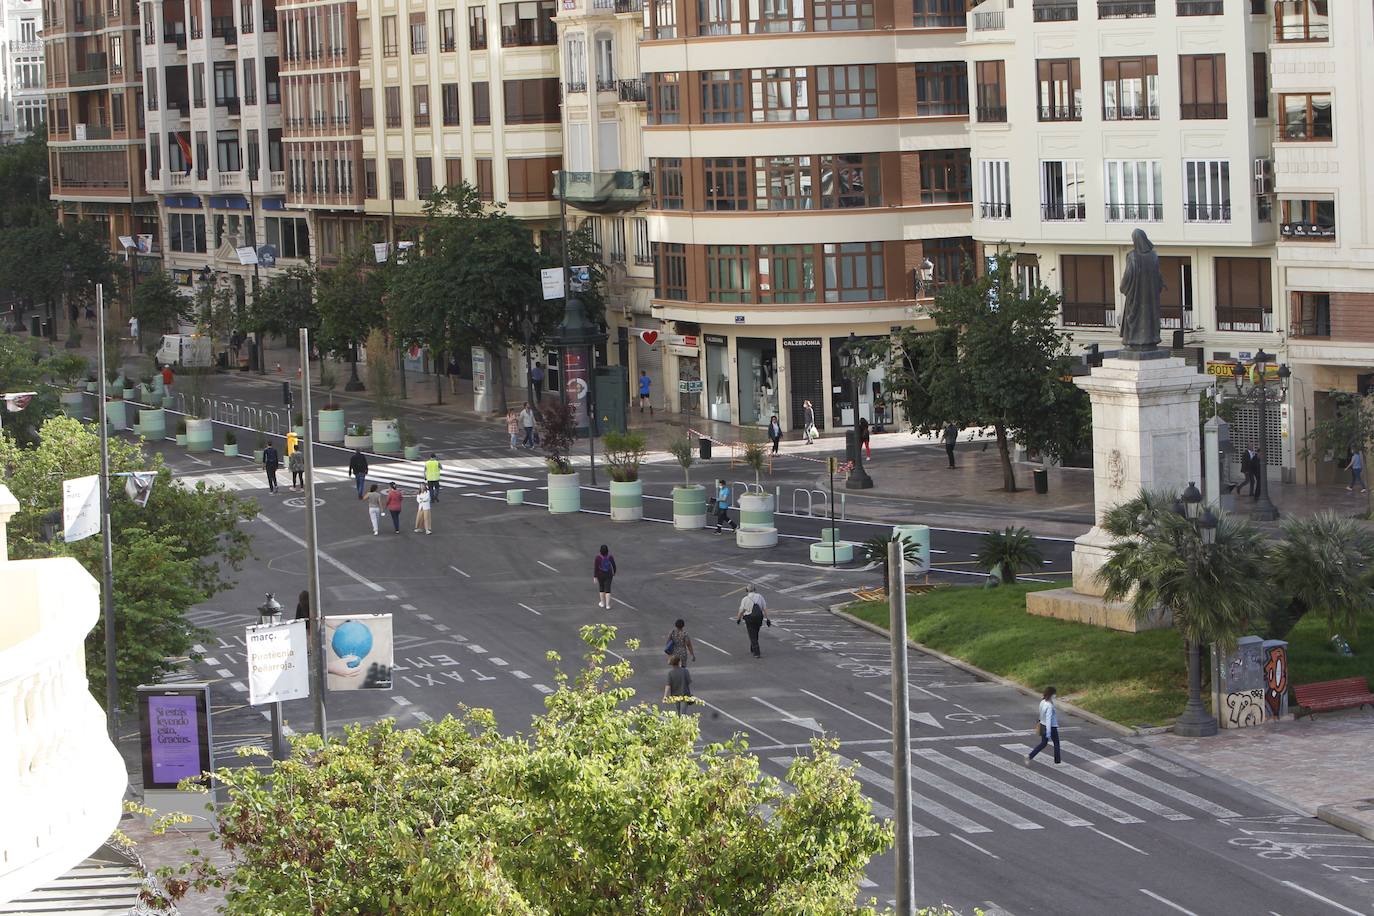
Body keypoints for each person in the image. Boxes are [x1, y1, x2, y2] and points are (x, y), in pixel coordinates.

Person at [1026, 686, 1062, 765]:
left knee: (1043, 743)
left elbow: (1041, 713)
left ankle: (1030, 756)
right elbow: (1049, 719)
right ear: (1052, 694)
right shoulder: (1049, 705)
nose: (1055, 696)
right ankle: (1057, 761)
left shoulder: (1042, 702)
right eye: (1054, 694)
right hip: (1051, 727)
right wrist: (1049, 732)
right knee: (1056, 743)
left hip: (1042, 725)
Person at [735, 584, 770, 658]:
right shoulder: (760, 596)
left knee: (752, 635)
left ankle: (757, 652)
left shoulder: (745, 599)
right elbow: (764, 608)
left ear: (747, 590)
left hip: (749, 618)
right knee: (755, 632)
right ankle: (753, 647)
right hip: (759, 617)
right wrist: (768, 619)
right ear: (755, 589)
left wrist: (738, 619)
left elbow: (741, 610)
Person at [593, 544, 616, 609]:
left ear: (600, 551)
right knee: (608, 589)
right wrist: (614, 572)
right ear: (607, 551)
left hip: (600, 575)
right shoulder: (610, 557)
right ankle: (608, 605)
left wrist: (595, 576)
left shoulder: (597, 557)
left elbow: (596, 568)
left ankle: (602, 603)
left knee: (601, 588)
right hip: (608, 574)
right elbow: (613, 565)